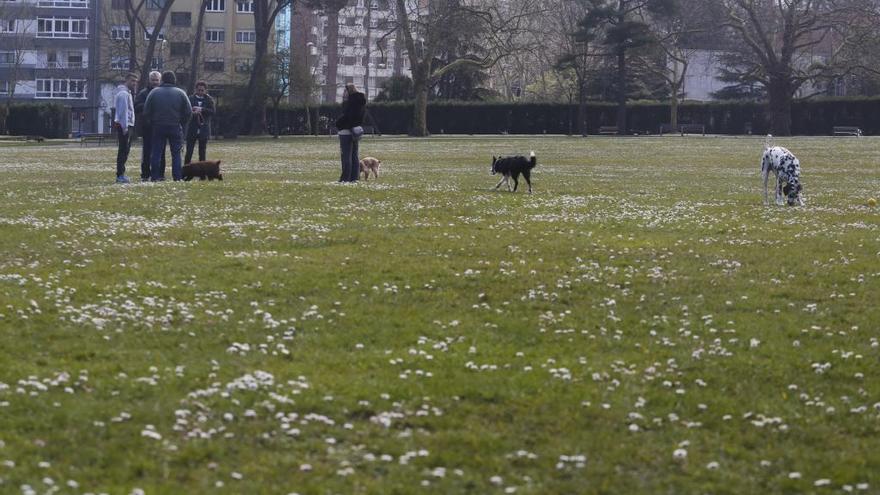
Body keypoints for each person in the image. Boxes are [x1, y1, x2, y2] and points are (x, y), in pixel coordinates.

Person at [143, 71, 192, 181]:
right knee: (176, 153)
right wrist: (182, 123)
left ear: (162, 80)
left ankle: (155, 176)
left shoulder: (154, 92)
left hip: (158, 126)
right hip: (175, 125)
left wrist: (152, 122)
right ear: (174, 80)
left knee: (156, 152)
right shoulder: (181, 93)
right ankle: (177, 176)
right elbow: (188, 112)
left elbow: (146, 111)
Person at [134, 71, 166, 181]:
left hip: (161, 126)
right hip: (148, 127)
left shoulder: (164, 93)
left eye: (157, 80)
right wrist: (148, 104)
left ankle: (160, 174)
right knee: (147, 152)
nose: (155, 82)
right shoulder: (143, 93)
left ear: (160, 80)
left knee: (161, 152)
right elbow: (136, 106)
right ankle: (145, 174)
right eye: (153, 80)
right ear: (149, 80)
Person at [335, 83, 366, 182]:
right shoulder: (361, 102)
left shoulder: (350, 103)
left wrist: (338, 123)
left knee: (346, 157)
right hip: (356, 131)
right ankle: (355, 177)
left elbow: (347, 116)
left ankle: (345, 178)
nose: (344, 93)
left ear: (348, 91)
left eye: (345, 91)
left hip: (346, 131)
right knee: (354, 156)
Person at [113, 72, 138, 184]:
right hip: (125, 126)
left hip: (126, 125)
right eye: (132, 81)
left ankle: (121, 174)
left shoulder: (126, 93)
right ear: (127, 80)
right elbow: (123, 112)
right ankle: (120, 175)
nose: (134, 83)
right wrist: (125, 127)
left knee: (124, 150)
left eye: (135, 81)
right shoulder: (123, 94)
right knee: (123, 151)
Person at [185, 81, 215, 164]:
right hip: (192, 128)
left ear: (205, 90)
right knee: (189, 151)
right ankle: (186, 170)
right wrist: (193, 112)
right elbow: (186, 111)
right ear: (196, 89)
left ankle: (202, 172)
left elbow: (212, 111)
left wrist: (201, 109)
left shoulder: (209, 100)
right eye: (199, 90)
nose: (200, 92)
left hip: (204, 129)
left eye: (202, 90)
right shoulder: (190, 98)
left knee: (202, 152)